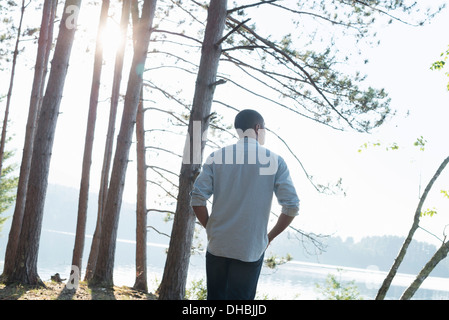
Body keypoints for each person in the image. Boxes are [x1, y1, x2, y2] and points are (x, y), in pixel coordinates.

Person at [190, 109, 300, 300]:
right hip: (249, 249)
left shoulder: (217, 157)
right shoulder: (274, 161)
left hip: (218, 245)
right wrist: (268, 238)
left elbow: (197, 198)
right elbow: (292, 206)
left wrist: (211, 228)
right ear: (258, 128)